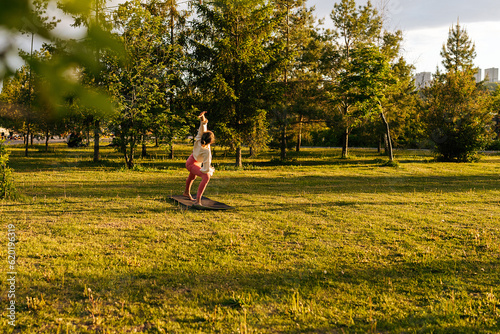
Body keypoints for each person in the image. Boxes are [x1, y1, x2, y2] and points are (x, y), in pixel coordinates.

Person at [183, 111, 215, 206]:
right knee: (206, 177)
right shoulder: (206, 151)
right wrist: (207, 171)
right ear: (211, 142)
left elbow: (203, 125)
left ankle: (186, 192)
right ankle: (198, 201)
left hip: (191, 161)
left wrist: (202, 116)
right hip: (192, 163)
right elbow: (205, 168)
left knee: (192, 176)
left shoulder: (199, 137)